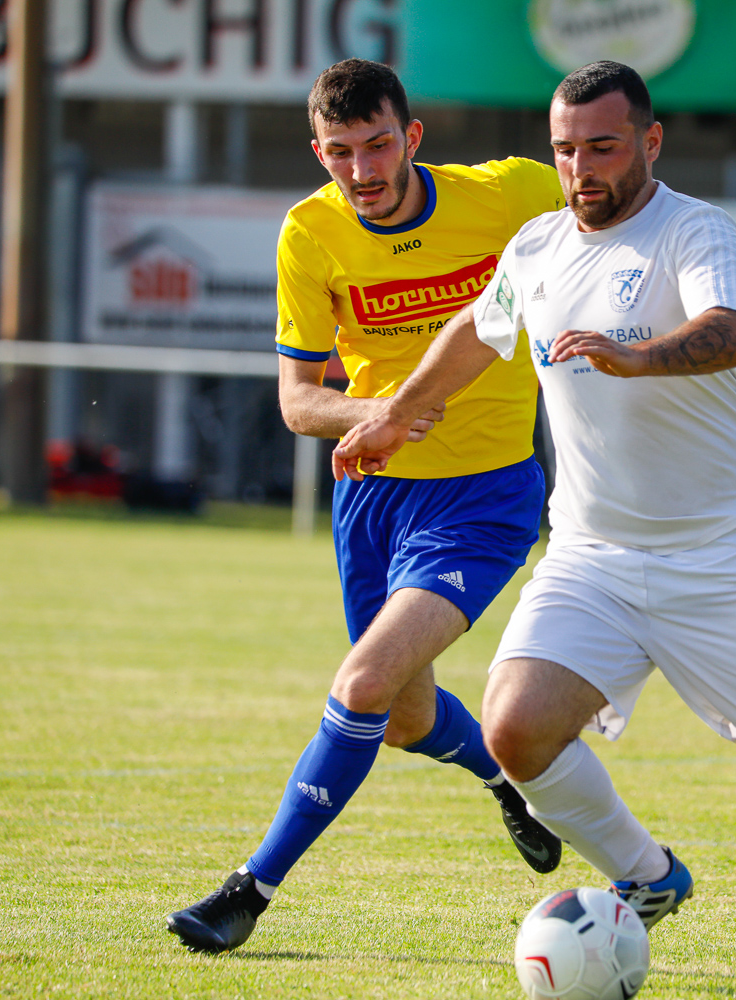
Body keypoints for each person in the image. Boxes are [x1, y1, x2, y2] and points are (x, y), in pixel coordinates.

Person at [332, 61, 736, 995]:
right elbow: (477, 332)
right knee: (515, 731)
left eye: (602, 147)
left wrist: (636, 356)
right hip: (591, 555)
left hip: (720, 551)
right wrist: (394, 414)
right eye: (564, 150)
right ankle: (647, 876)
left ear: (650, 142)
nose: (580, 168)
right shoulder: (536, 246)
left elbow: (733, 331)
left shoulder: (694, 229)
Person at [165, 59, 567, 954]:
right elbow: (298, 402)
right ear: (319, 152)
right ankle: (506, 777)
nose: (363, 169)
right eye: (341, 152)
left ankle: (248, 891)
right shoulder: (309, 232)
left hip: (486, 495)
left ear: (412, 136)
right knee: (405, 719)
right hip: (374, 500)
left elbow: (617, 211)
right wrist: (378, 415)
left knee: (362, 685)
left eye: (378, 145)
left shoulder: (510, 194)